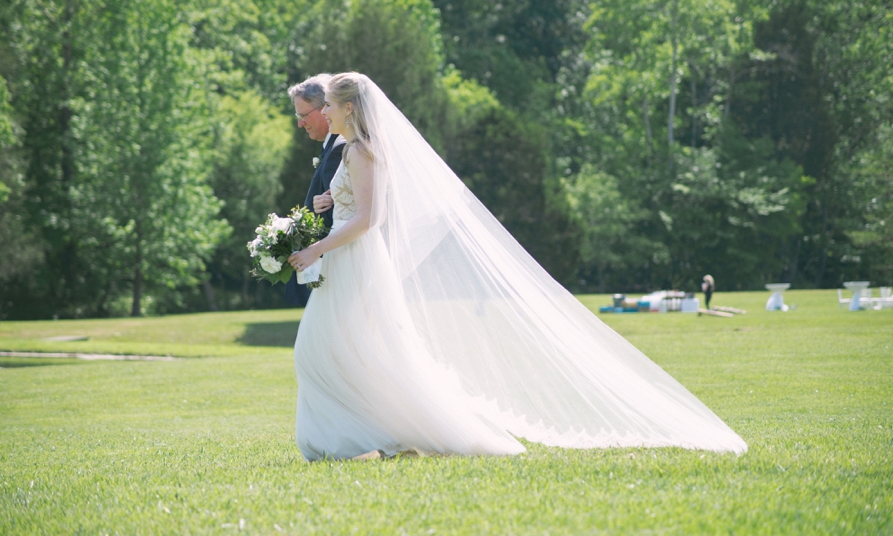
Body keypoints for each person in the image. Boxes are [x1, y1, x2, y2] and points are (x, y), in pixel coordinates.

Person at [288, 72, 747, 461]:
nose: (323, 113)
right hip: (348, 261)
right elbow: (357, 205)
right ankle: (362, 436)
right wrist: (334, 201)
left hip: (354, 260)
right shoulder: (354, 150)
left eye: (327, 105)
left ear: (349, 107)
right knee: (343, 349)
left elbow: (371, 219)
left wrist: (317, 249)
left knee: (324, 348)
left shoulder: (361, 150)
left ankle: (360, 436)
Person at [284, 75, 345, 308]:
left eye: (303, 115)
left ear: (323, 109)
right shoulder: (329, 147)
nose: (300, 123)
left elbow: (340, 215)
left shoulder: (339, 150)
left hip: (334, 266)